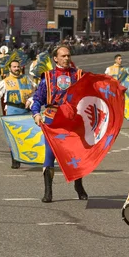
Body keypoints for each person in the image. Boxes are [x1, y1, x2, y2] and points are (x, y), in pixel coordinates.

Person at [30, 46, 88, 203]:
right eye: (63, 56)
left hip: (72, 120)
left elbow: (93, 90)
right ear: (55, 58)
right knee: (50, 154)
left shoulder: (78, 75)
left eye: (68, 55)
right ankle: (48, 191)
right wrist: (36, 114)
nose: (67, 58)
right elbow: (38, 99)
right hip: (52, 120)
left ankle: (79, 185)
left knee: (76, 154)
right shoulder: (48, 77)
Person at [0, 59, 37, 169]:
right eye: (14, 67)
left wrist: (30, 100)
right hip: (13, 111)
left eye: (18, 66)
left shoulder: (27, 80)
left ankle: (29, 157)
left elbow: (36, 92)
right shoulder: (6, 81)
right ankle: (15, 160)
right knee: (13, 136)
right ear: (10, 68)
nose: (17, 69)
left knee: (28, 135)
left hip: (26, 111)